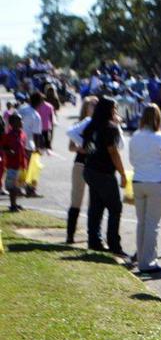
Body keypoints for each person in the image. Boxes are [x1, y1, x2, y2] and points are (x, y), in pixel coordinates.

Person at [128, 104, 161, 273]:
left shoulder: (135, 136)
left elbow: (132, 160)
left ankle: (141, 259)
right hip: (157, 182)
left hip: (138, 181)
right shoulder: (160, 137)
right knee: (152, 224)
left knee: (141, 223)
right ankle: (148, 262)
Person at [81, 96, 129, 257]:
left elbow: (85, 147)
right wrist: (123, 174)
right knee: (115, 208)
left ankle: (94, 240)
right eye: (114, 108)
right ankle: (114, 244)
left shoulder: (91, 126)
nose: (115, 111)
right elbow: (113, 152)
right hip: (104, 172)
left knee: (96, 206)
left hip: (90, 169)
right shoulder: (109, 128)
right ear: (108, 110)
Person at [65, 96, 99, 243]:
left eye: (97, 105)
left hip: (95, 165)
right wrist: (81, 148)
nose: (95, 107)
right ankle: (70, 234)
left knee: (94, 201)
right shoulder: (78, 125)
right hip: (80, 164)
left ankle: (93, 235)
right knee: (76, 199)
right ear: (86, 107)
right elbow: (71, 147)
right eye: (92, 105)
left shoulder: (99, 125)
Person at [1, 113, 27, 212]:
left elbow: (23, 147)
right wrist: (9, 151)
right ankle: (12, 206)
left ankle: (15, 203)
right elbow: (3, 147)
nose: (21, 122)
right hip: (12, 164)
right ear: (12, 123)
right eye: (19, 121)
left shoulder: (22, 134)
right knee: (12, 186)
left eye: (21, 120)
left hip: (21, 164)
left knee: (18, 185)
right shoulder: (8, 135)